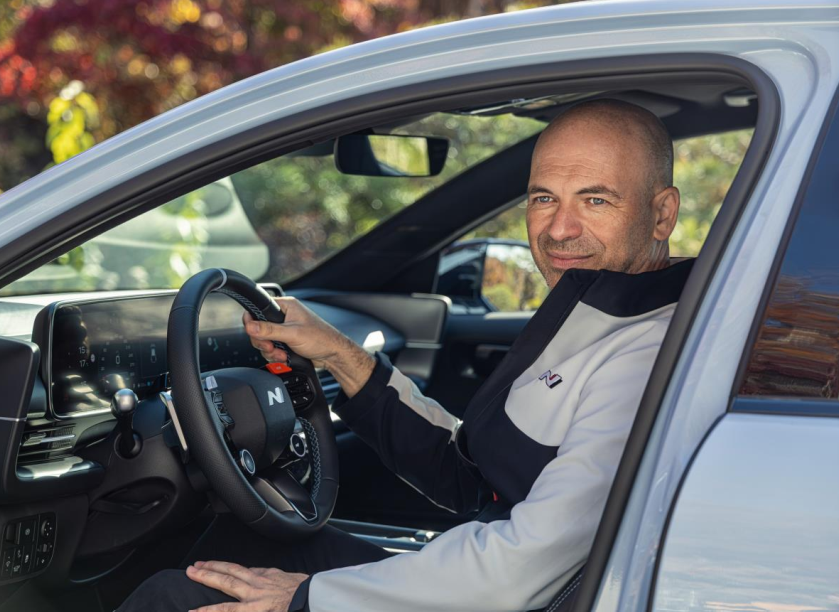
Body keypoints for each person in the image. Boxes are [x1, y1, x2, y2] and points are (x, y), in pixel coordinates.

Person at [118, 98, 687, 612]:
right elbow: (475, 479)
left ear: (662, 214)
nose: (560, 228)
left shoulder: (649, 353)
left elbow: (516, 573)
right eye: (544, 198)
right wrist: (341, 355)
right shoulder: (604, 313)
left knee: (174, 597)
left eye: (596, 199)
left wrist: (307, 598)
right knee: (240, 541)